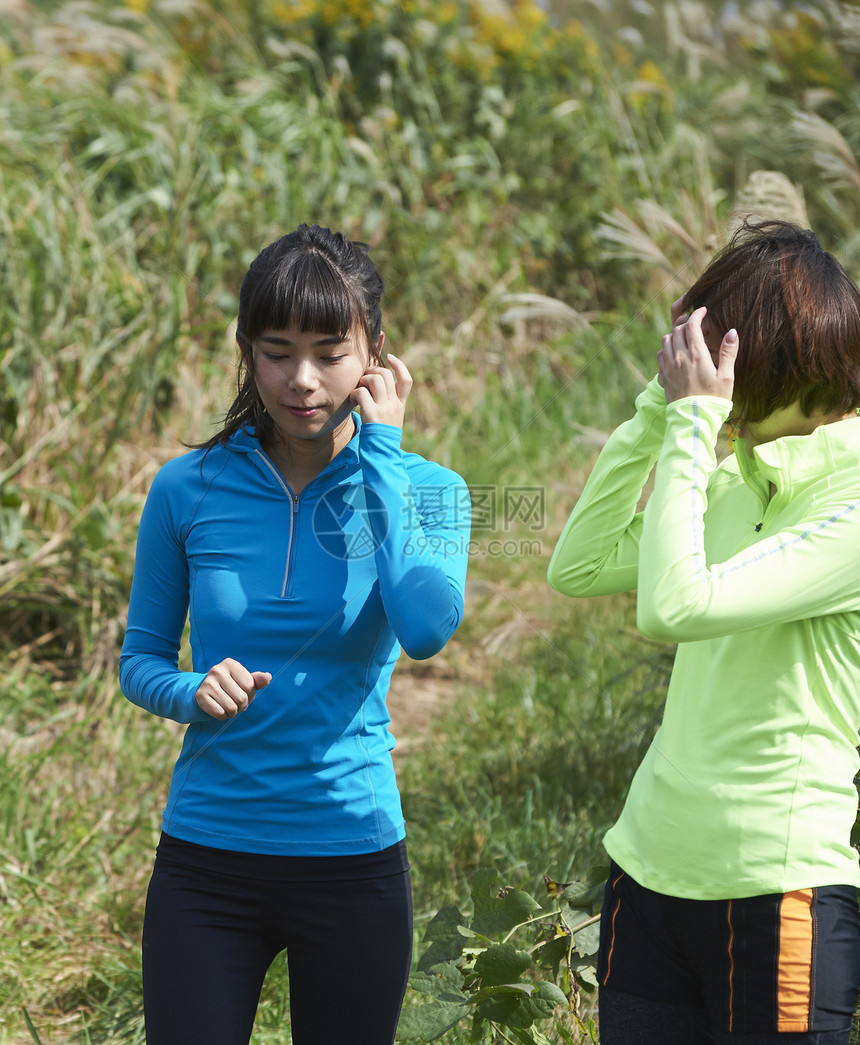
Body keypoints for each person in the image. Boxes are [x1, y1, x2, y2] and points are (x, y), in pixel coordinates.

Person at [119, 224, 471, 1045]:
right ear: (246, 350)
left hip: (352, 855)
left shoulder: (433, 489)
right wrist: (190, 689)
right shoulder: (186, 487)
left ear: (375, 355)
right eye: (276, 351)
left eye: (329, 352)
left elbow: (425, 628)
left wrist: (381, 449)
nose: (302, 380)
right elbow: (140, 659)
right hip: (207, 860)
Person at [547, 219, 860, 1044]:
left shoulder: (852, 508)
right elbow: (578, 566)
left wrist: (692, 426)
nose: (722, 397)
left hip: (778, 886)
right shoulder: (738, 469)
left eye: (737, 376)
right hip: (648, 876)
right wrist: (659, 410)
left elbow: (673, 607)